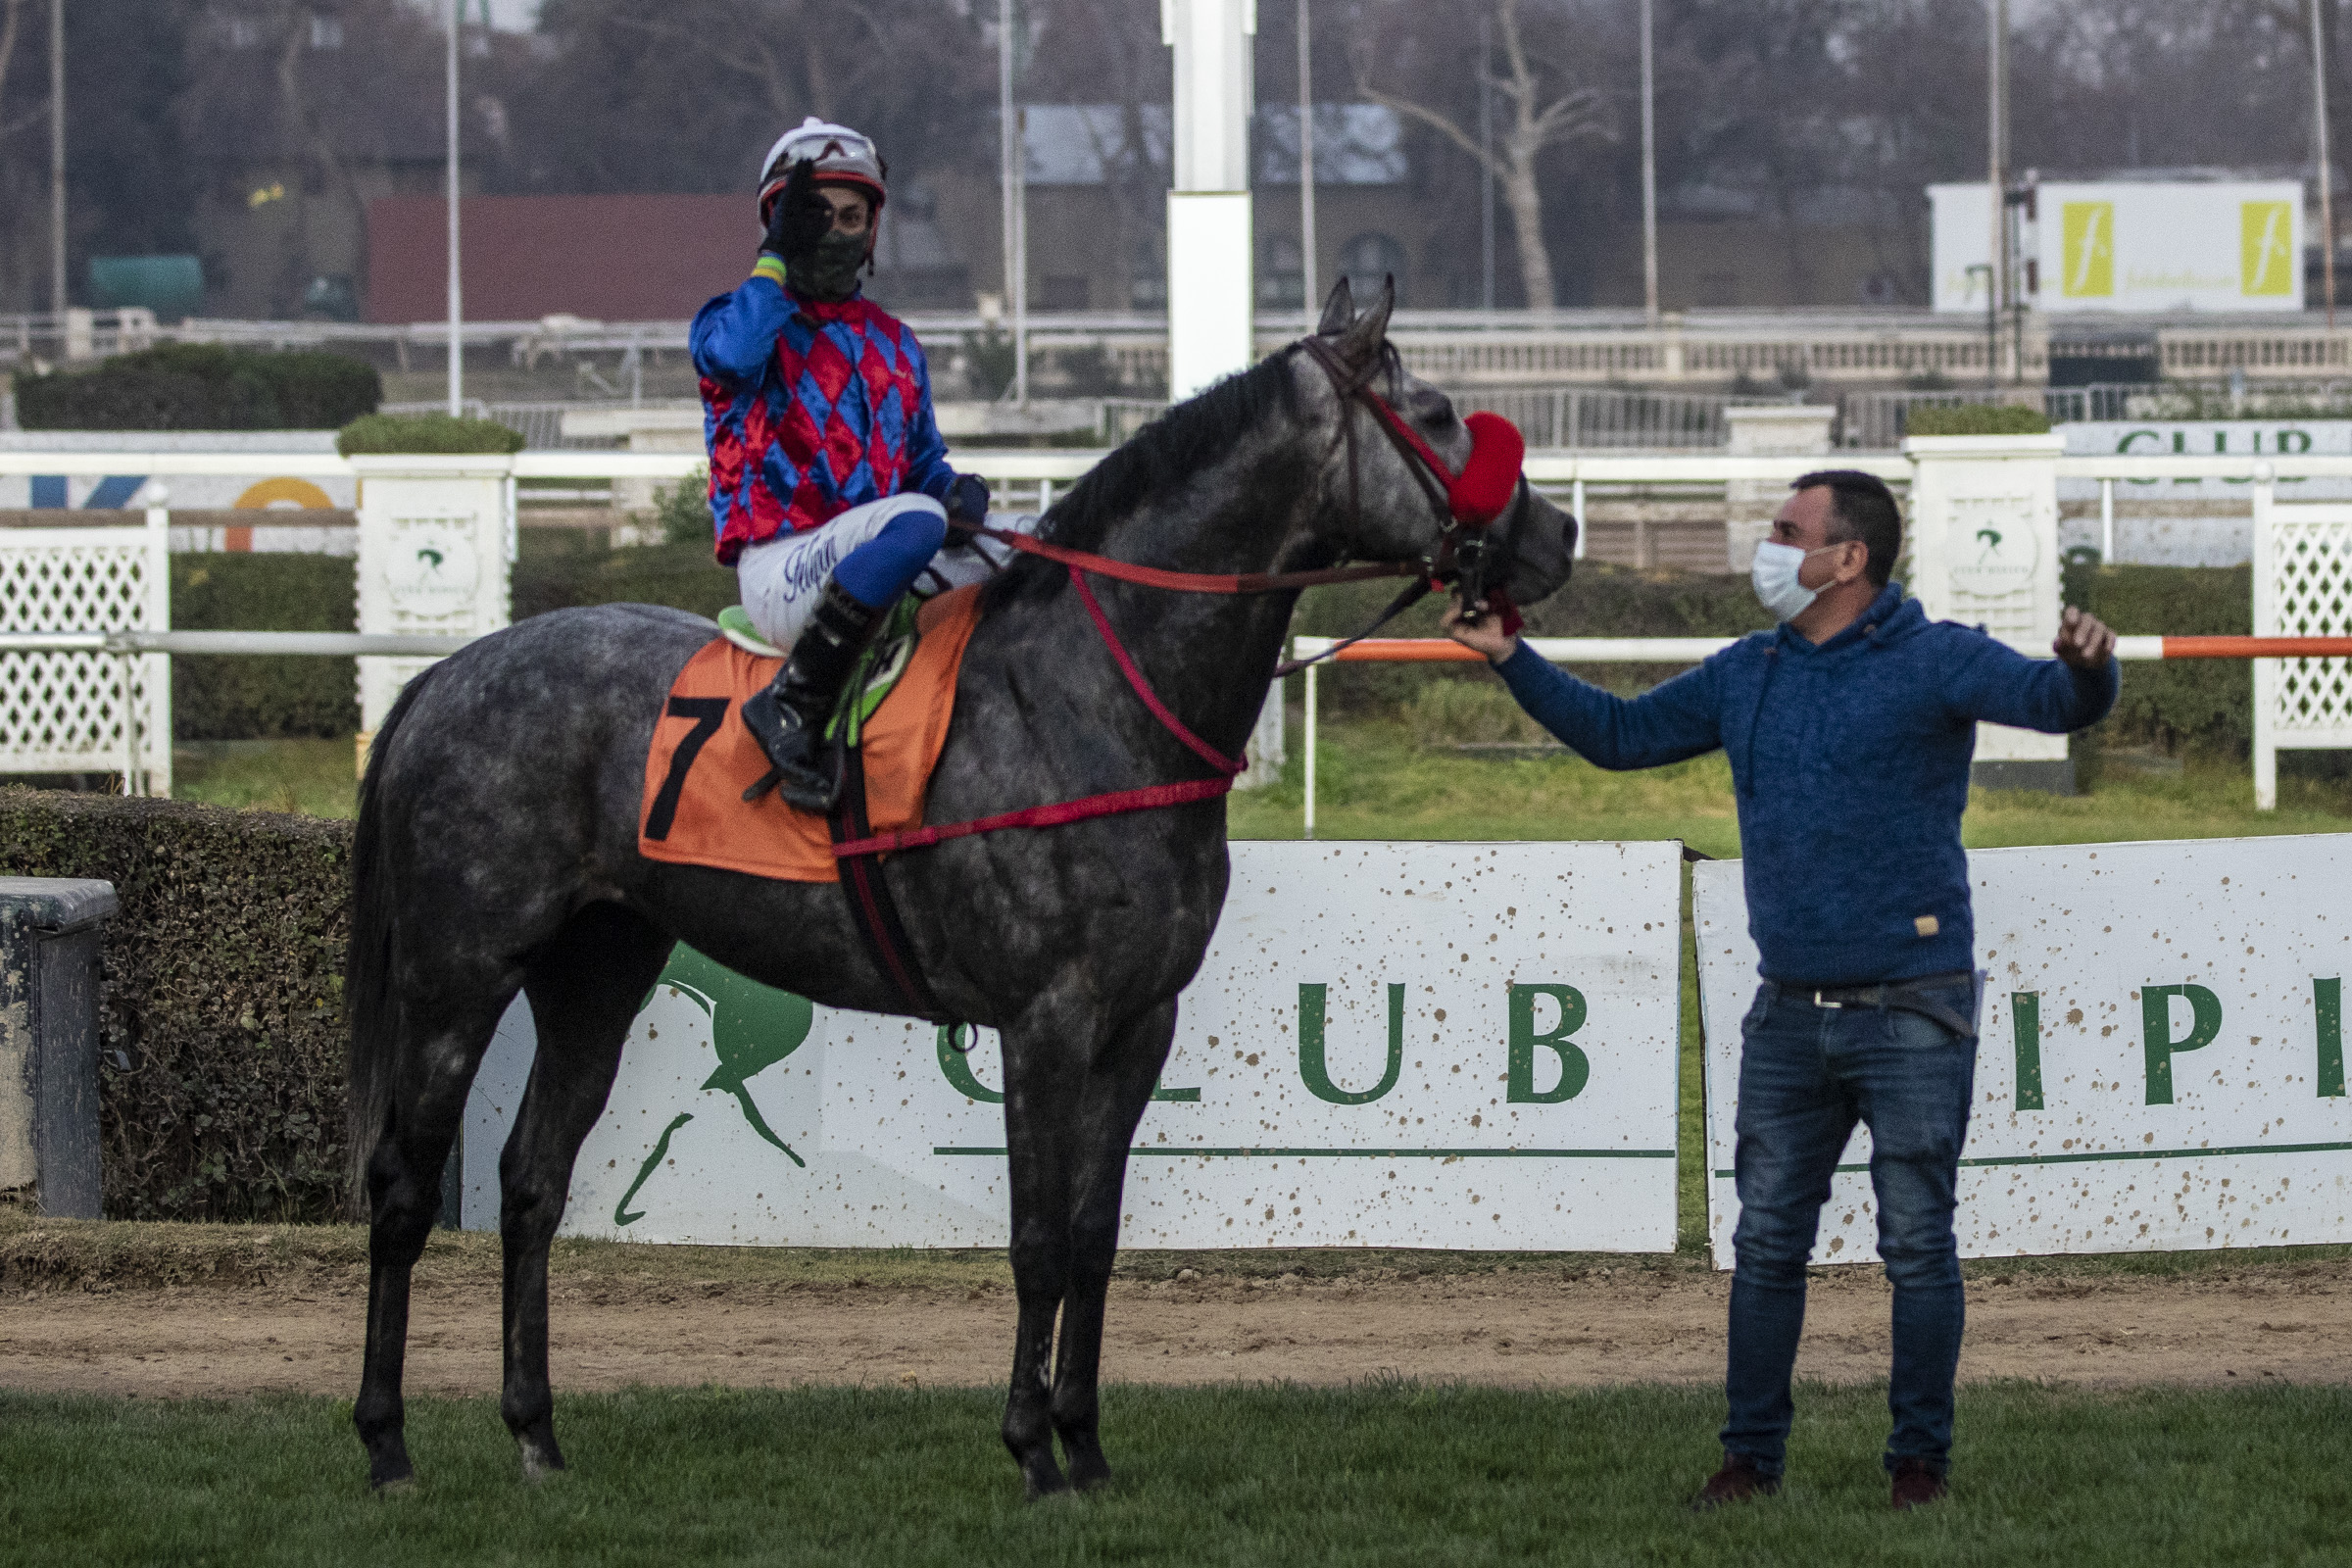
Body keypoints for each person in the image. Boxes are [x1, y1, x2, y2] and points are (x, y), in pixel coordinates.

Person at [1442, 470, 2119, 1512]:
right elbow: (1620, 737)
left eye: (1787, 531)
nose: (1767, 546)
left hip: (1916, 1008)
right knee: (1764, 1248)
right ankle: (1749, 1463)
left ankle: (1919, 1468)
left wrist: (2089, 669)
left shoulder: (1938, 656)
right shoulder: (1748, 669)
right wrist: (1510, 657)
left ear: (1849, 558)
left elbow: (2053, 701)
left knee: (1917, 1248)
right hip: (1787, 1015)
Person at [691, 117, 1017, 810]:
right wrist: (775, 262)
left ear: (871, 231)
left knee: (1036, 543)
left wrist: (957, 490)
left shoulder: (894, 342)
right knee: (915, 521)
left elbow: (921, 465)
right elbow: (734, 359)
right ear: (779, 223)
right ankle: (793, 703)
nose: (836, 233)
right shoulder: (731, 321)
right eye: (816, 217)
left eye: (851, 217)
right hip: (782, 571)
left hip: (882, 551)